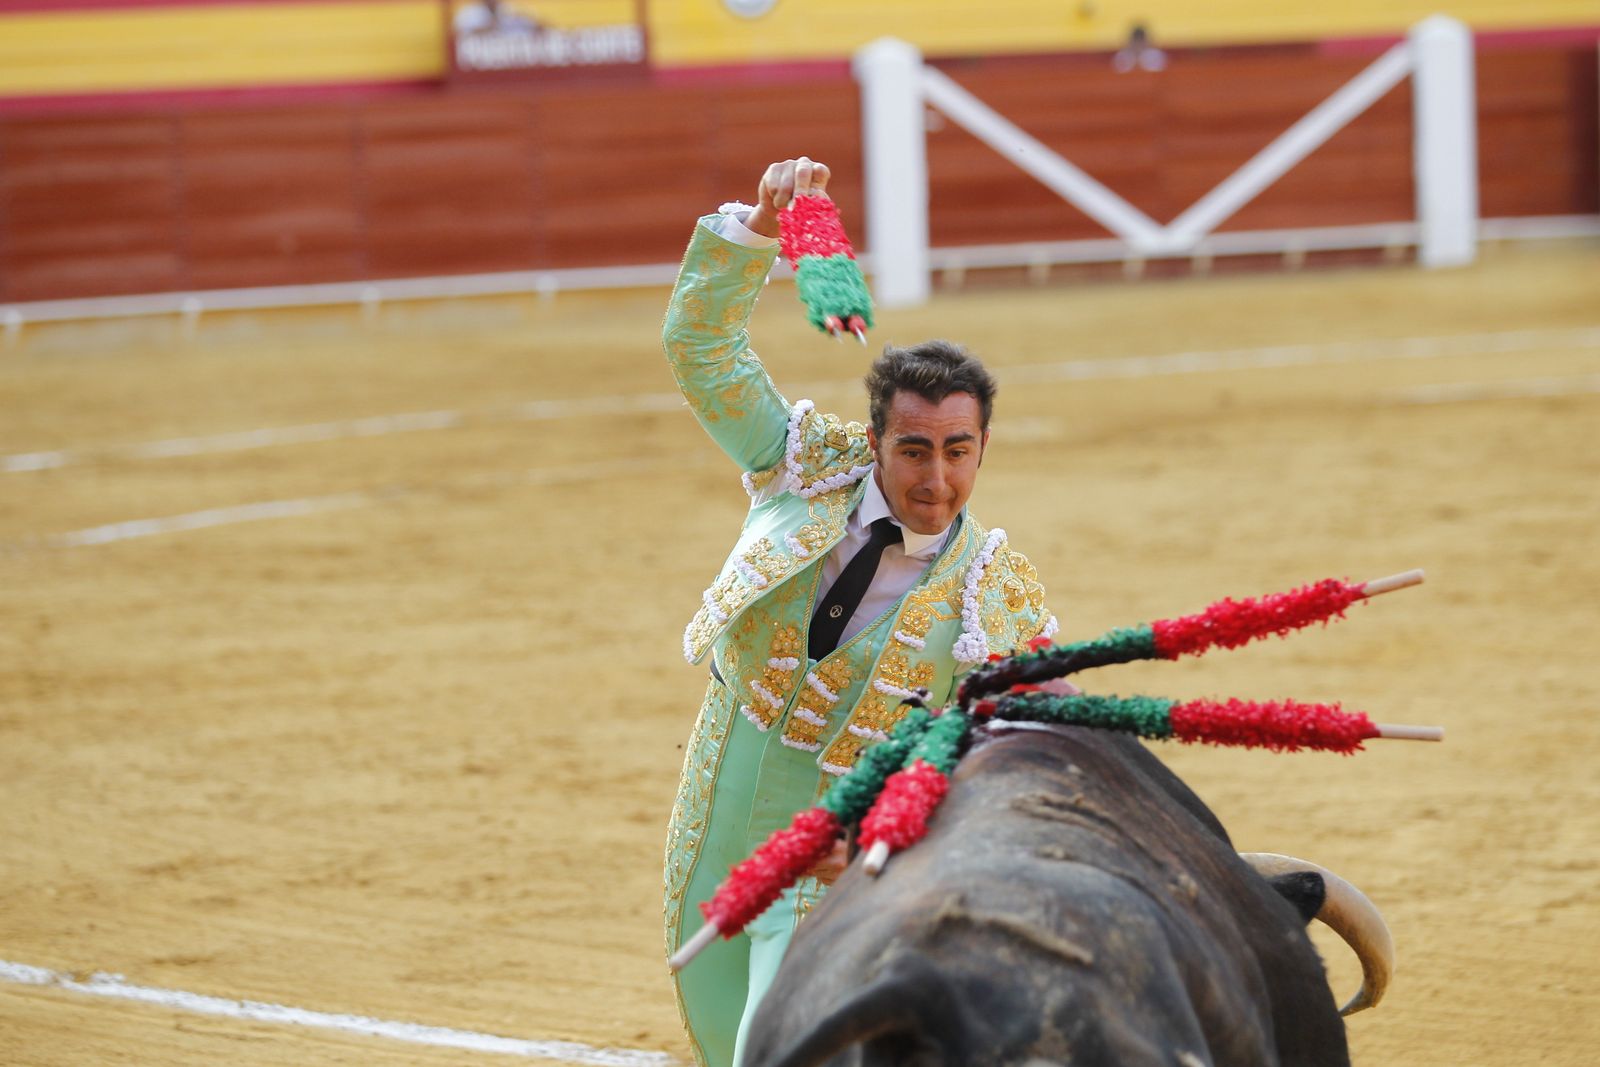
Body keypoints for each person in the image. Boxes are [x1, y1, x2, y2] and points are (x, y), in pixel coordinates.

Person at [661, 156, 1058, 1067]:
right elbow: (701, 352)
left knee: (782, 1044)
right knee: (723, 1031)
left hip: (831, 855)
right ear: (875, 440)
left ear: (984, 446)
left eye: (960, 451)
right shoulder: (802, 468)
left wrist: (895, 832)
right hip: (713, 804)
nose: (938, 478)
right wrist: (760, 227)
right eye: (914, 450)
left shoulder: (995, 599)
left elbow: (1030, 747)